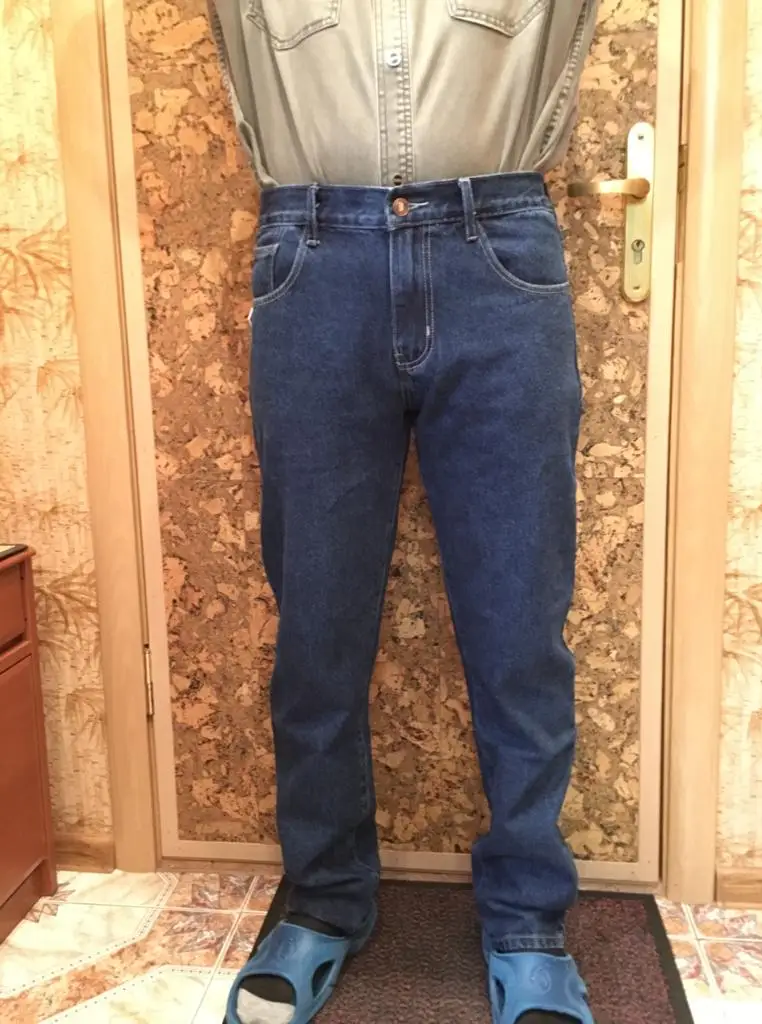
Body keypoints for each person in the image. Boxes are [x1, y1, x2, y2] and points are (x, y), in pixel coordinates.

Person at [209, 4, 599, 1023]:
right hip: (312, 255)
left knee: (520, 625)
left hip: (499, 251)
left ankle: (528, 918)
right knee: (318, 625)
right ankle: (324, 899)